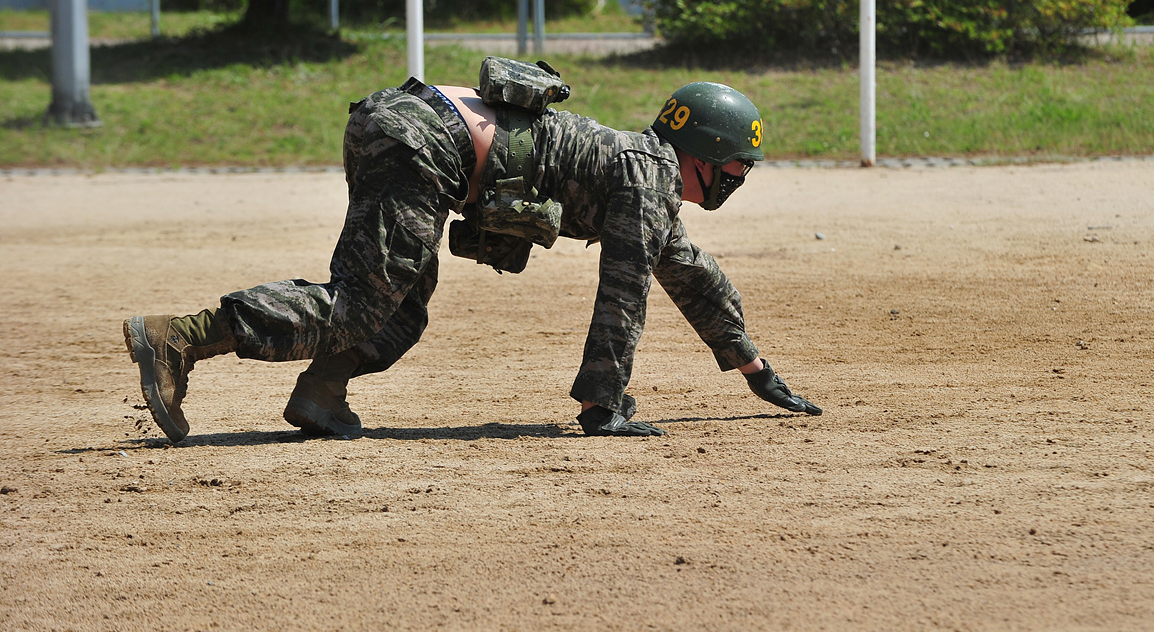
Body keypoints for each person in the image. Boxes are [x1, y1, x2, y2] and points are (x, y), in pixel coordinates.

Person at [123, 65, 821, 442]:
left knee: (398, 306)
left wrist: (752, 366)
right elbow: (624, 294)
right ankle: (178, 339)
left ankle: (320, 395)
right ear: (711, 153)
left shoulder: (641, 169)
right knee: (361, 298)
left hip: (408, 127)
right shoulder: (650, 178)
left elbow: (690, 274)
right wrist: (603, 405)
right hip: (424, 143)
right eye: (739, 166)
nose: (739, 179)